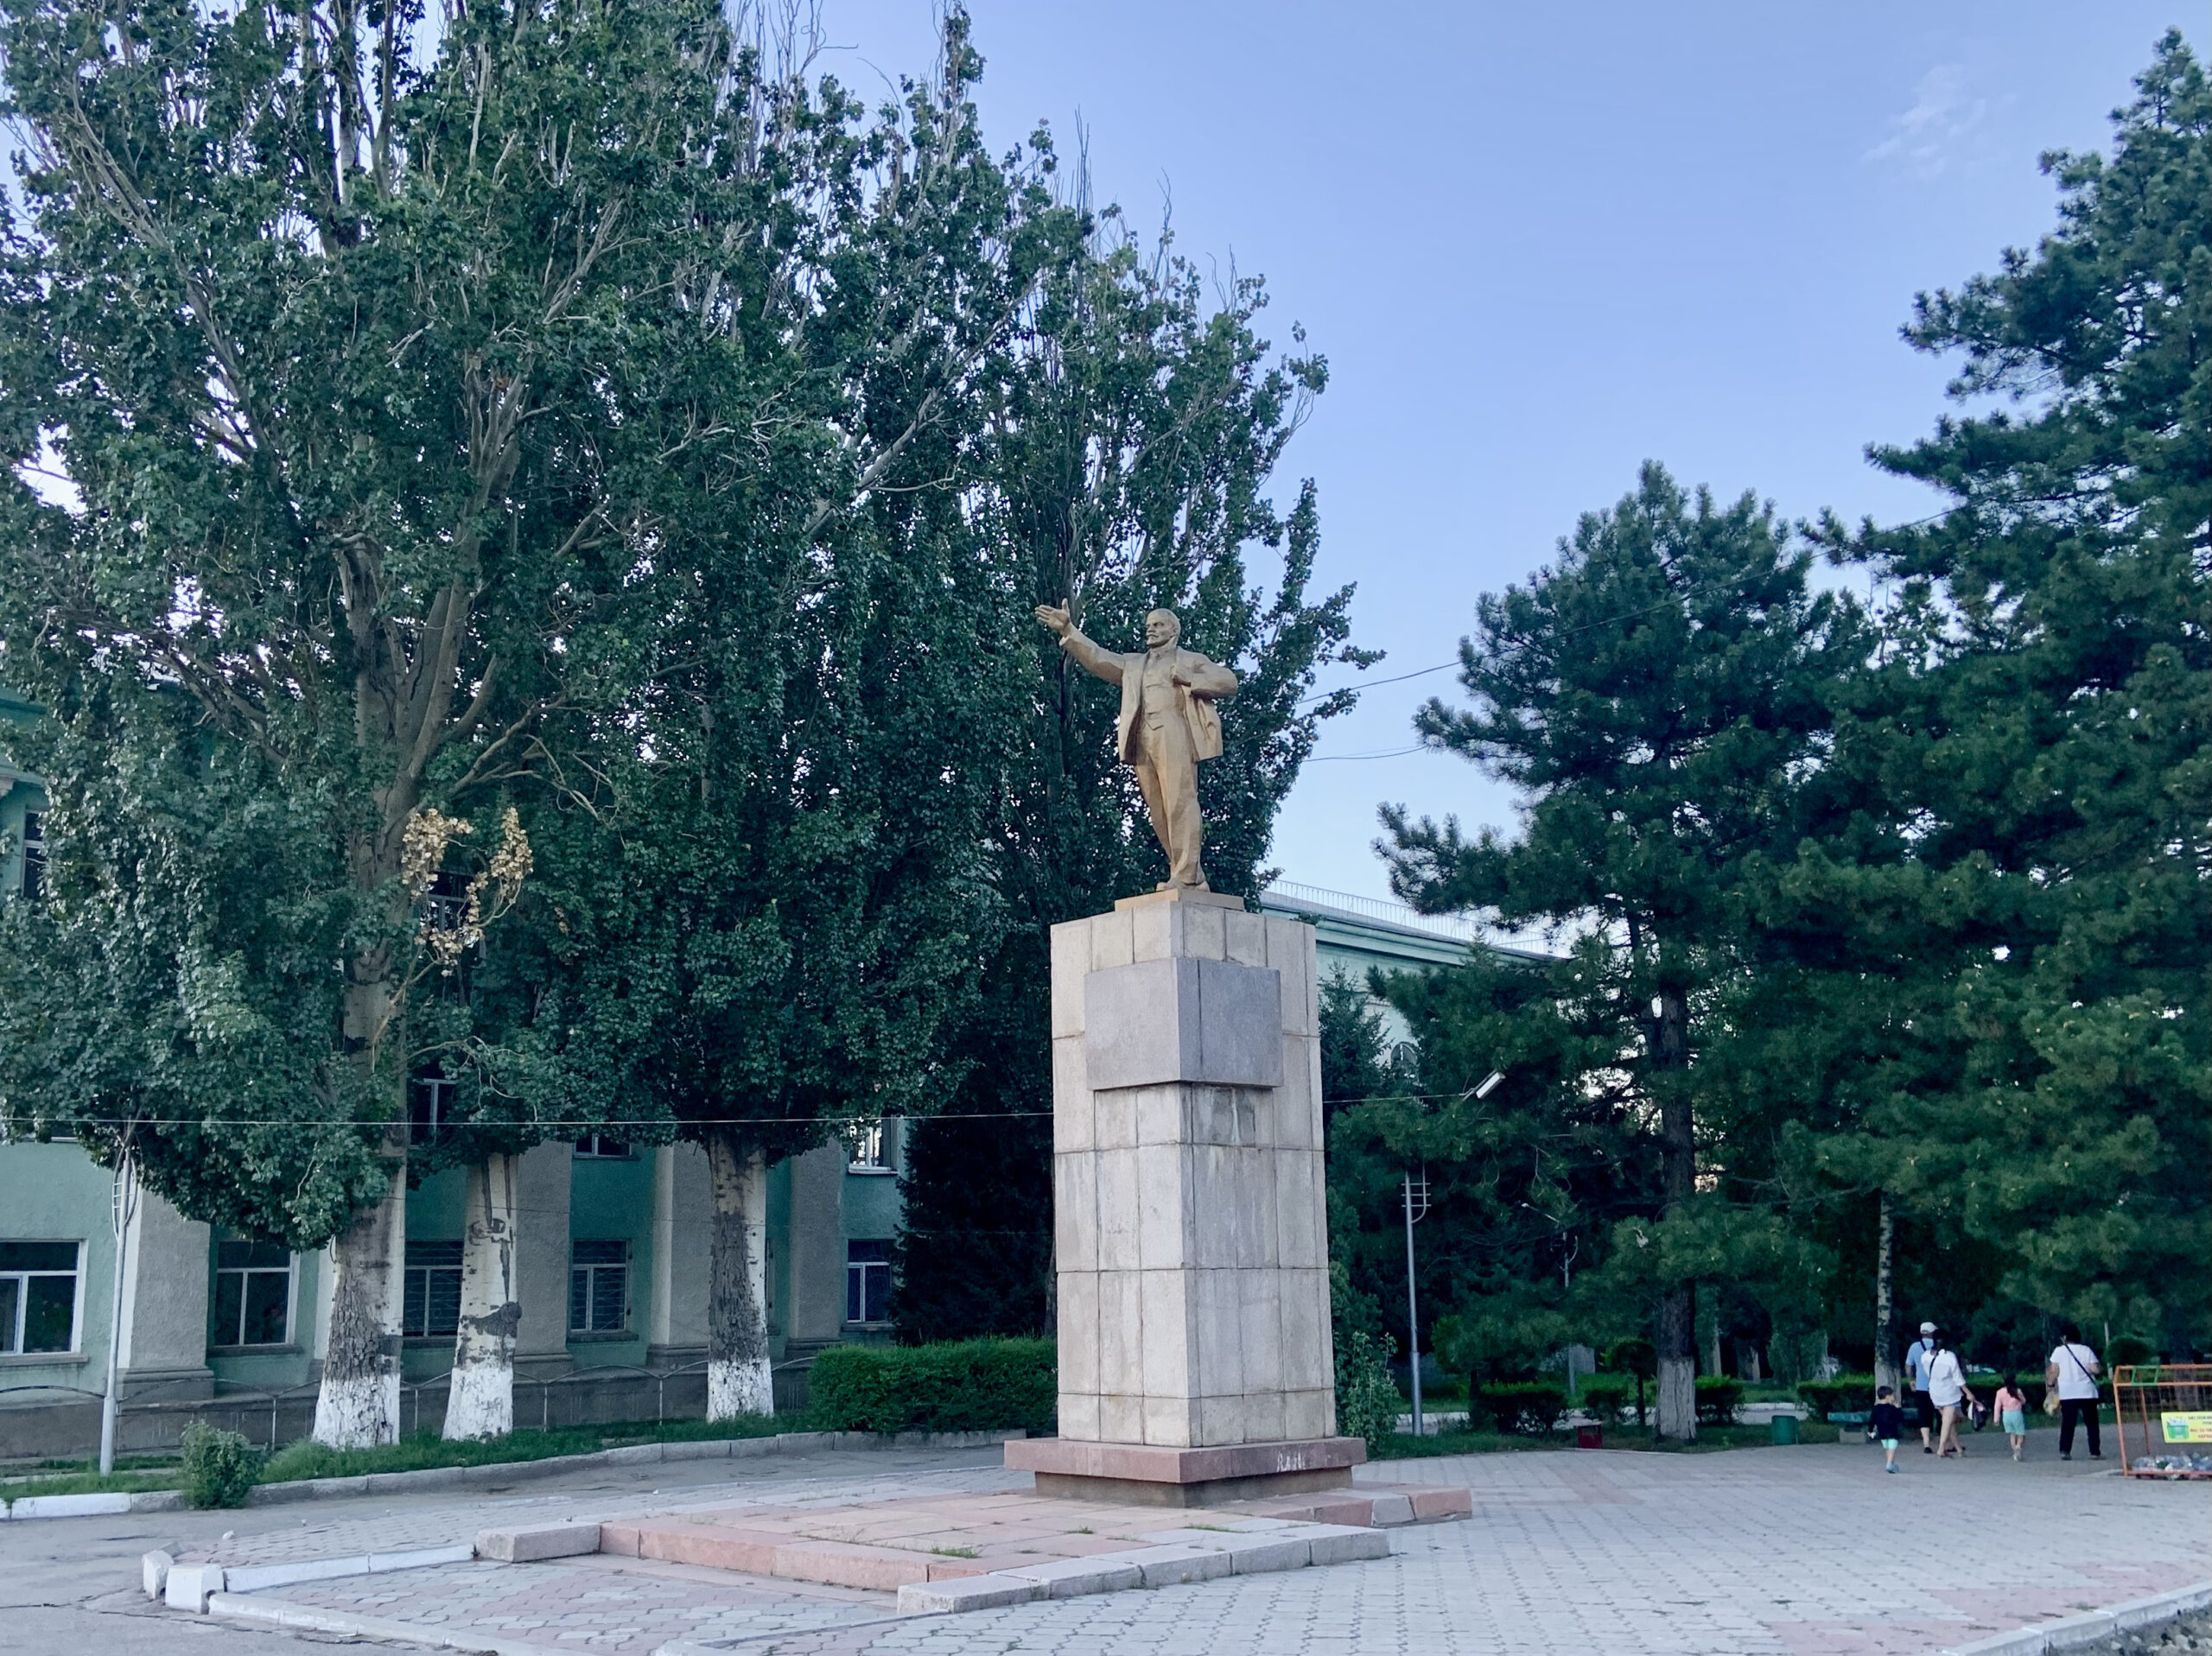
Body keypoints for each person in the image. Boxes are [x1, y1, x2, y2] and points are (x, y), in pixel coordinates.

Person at [1034, 603, 1238, 891]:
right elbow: (1098, 658)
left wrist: (1191, 679)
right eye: (1148, 625)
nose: (1150, 629)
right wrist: (1069, 630)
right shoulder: (1134, 664)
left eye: (1157, 625)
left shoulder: (1190, 659)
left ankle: (1185, 875)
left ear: (1174, 630)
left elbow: (1229, 681)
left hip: (1174, 731)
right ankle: (1191, 874)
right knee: (1158, 809)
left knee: (1180, 802)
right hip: (1143, 736)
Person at [2046, 1325, 2103, 1461]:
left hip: (2068, 1393)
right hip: (2087, 1392)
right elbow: (2095, 1370)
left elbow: (2054, 1371)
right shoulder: (2086, 1350)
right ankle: (2094, 1451)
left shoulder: (2059, 1351)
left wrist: (2050, 1384)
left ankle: (2065, 1450)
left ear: (2065, 1337)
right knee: (2092, 1424)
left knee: (2068, 1423)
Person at [1925, 1329, 1978, 1457]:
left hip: (1934, 1391)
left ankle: (1959, 1449)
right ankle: (1941, 1448)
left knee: (1948, 1422)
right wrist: (1968, 1393)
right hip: (1949, 1393)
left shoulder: (1925, 1356)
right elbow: (1958, 1378)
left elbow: (1928, 1373)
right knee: (1947, 1421)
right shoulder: (1950, 1357)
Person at [1904, 1322, 1939, 1454]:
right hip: (1938, 1387)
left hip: (1921, 1387)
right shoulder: (1939, 1346)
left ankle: (1926, 1443)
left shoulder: (1914, 1347)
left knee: (1924, 1414)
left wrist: (1911, 1380)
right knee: (1942, 1414)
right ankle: (1944, 1442)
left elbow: (1908, 1366)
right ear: (1932, 1333)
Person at [1870, 1386, 1908, 1474]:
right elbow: (1900, 1418)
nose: (1894, 1397)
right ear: (1887, 1397)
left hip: (1882, 1432)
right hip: (1893, 1432)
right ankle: (1890, 1464)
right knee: (1892, 1449)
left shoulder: (1876, 1408)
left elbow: (1872, 1420)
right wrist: (1898, 1408)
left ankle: (1889, 1462)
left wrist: (1870, 1430)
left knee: (1887, 1448)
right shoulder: (1892, 1408)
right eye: (1892, 1395)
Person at [1993, 1374, 2030, 1462]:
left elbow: (1997, 1406)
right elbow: (2024, 1401)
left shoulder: (2000, 1392)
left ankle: (2015, 1452)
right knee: (2021, 1434)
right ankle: (2018, 1446)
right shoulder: (2017, 1391)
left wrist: (1996, 1419)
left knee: (2012, 1434)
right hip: (2017, 1414)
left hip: (2006, 1415)